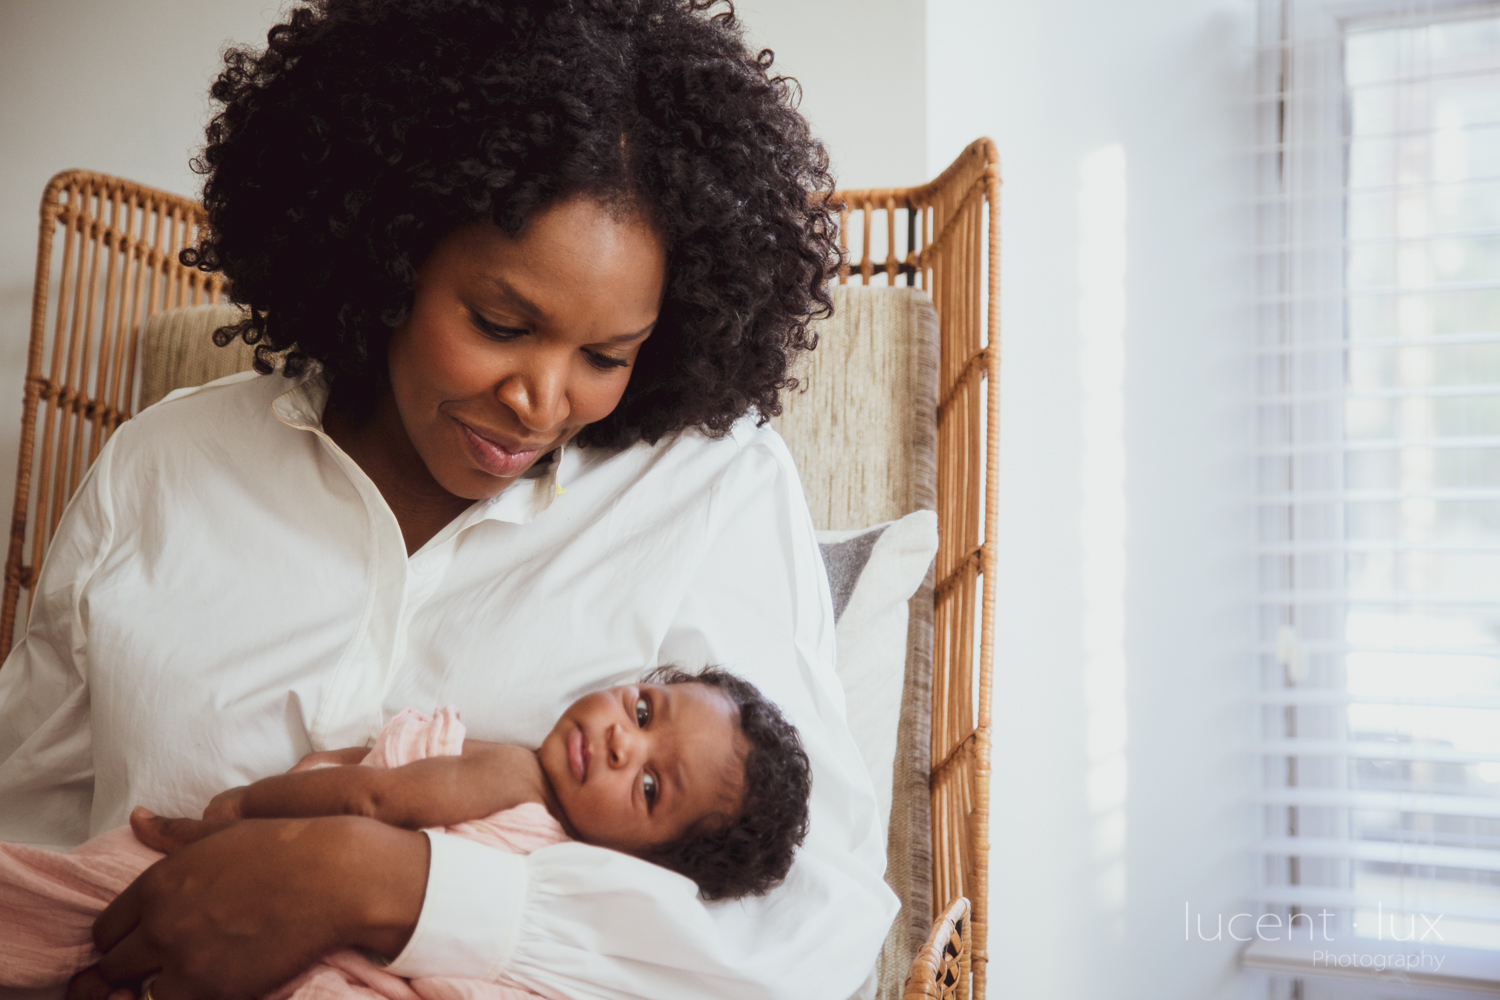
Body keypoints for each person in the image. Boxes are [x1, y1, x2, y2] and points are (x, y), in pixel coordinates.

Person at [0, 1, 898, 998]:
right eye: (500, 320)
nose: (542, 399)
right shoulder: (164, 464)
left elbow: (815, 930)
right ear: (389, 251)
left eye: (605, 356)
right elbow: (28, 823)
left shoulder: (707, 485)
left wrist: (386, 882)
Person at [0, 669, 815, 996]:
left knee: (73, 898)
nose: (618, 740)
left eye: (646, 784)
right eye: (642, 710)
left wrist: (244, 811)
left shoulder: (511, 777)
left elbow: (372, 805)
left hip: (304, 917)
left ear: (642, 857)